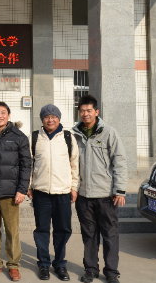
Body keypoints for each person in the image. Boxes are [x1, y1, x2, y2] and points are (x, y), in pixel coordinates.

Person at [71, 95, 127, 283]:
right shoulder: (74, 134)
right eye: (82, 111)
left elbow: (119, 161)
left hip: (106, 195)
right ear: (79, 112)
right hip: (83, 194)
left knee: (110, 235)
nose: (85, 114)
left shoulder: (108, 132)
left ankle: (111, 272)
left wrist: (119, 189)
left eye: (89, 110)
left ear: (96, 111)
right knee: (89, 235)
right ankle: (91, 269)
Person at [0, 101, 32, 282]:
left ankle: (13, 265)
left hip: (11, 194)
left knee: (12, 231)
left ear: (9, 115)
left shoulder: (19, 137)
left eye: (3, 112)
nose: (0, 115)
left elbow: (26, 165)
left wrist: (22, 190)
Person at [28, 104, 79, 281]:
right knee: (42, 230)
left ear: (59, 118)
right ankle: (43, 264)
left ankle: (60, 264)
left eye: (53, 116)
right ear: (42, 119)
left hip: (63, 192)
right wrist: (29, 186)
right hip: (41, 192)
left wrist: (74, 187)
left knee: (62, 229)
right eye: (47, 117)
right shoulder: (35, 137)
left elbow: (74, 165)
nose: (50, 119)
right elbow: (29, 164)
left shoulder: (67, 137)